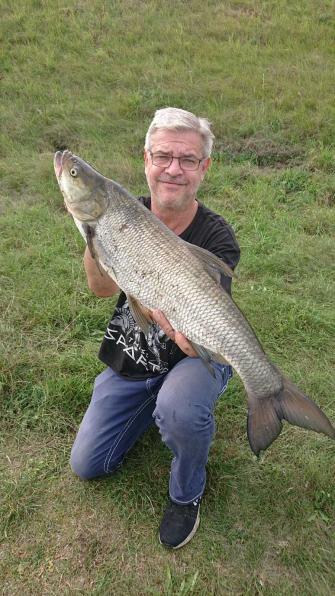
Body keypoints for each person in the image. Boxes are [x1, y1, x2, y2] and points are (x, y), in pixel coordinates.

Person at [70, 107, 240, 549]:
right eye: (163, 156)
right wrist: (94, 236)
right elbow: (101, 289)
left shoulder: (217, 236)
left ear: (204, 168)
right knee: (88, 464)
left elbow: (199, 321)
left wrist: (188, 335)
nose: (173, 169)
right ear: (145, 159)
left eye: (187, 160)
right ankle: (153, 404)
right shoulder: (125, 212)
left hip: (195, 348)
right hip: (135, 352)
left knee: (181, 407)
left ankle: (186, 492)